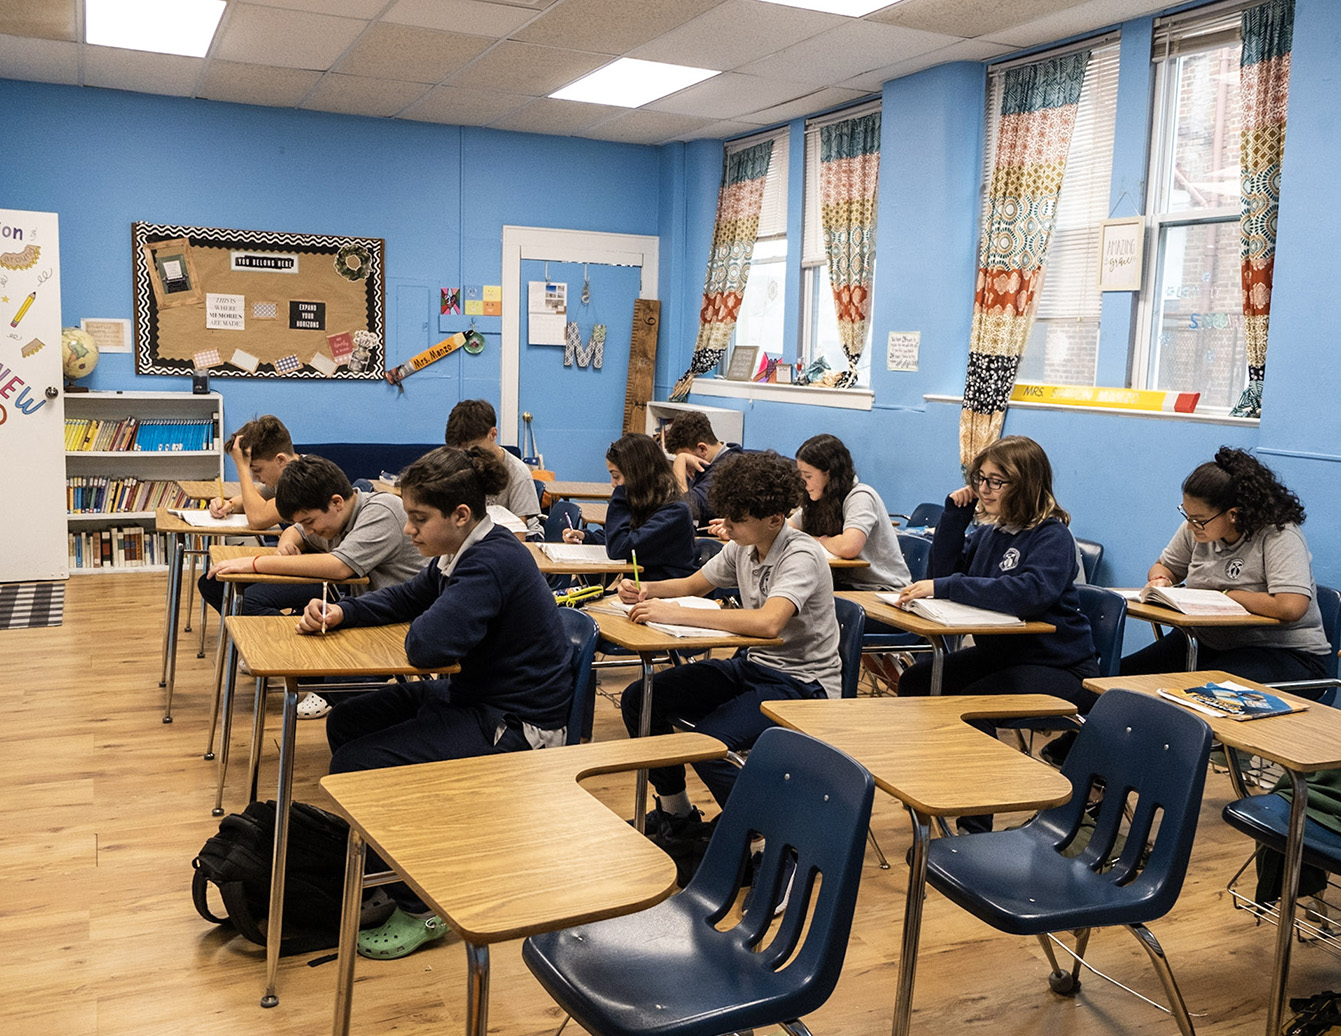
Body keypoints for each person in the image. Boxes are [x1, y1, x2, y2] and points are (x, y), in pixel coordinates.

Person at [293, 445, 572, 959]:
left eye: (419, 518)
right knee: (349, 722)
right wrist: (343, 614)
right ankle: (391, 867)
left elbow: (427, 647)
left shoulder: (490, 560)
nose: (408, 530)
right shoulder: (458, 551)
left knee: (358, 763)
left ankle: (421, 906)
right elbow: (408, 597)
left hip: (517, 724)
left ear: (460, 515)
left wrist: (439, 612)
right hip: (475, 698)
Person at [618, 450, 840, 826]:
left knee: (708, 745)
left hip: (802, 684)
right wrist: (647, 590)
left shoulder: (801, 554)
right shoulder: (744, 546)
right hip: (754, 667)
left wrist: (675, 613)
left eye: (738, 519)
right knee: (641, 699)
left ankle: (761, 831)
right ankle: (677, 815)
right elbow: (694, 584)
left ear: (774, 519)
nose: (728, 525)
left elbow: (769, 623)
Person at [897, 436, 1097, 828]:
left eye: (995, 481)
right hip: (1002, 657)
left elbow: (1027, 594)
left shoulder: (1051, 536)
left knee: (972, 710)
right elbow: (942, 573)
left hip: (1059, 667)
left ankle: (974, 829)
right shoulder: (993, 532)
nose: (984, 489)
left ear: (1025, 484)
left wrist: (949, 585)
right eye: (980, 479)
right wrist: (955, 518)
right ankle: (935, 788)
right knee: (917, 681)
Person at [207, 454, 426, 718]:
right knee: (224, 590)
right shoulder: (333, 518)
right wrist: (287, 542)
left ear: (336, 502)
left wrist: (255, 563)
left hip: (401, 622)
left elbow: (338, 567)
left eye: (310, 522)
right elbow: (297, 532)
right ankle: (307, 675)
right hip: (365, 611)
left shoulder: (382, 511)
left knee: (341, 692)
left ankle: (317, 683)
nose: (309, 530)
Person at [1120, 446, 1332, 686]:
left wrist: (1228, 596)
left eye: (1198, 520)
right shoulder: (1197, 528)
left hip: (1285, 653)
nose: (1190, 526)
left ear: (1233, 514)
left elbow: (1291, 606)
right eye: (1186, 515)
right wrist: (1161, 580)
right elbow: (1165, 566)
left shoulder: (1278, 534)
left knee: (1196, 691)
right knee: (1116, 678)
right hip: (1208, 642)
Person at [793, 432, 913, 690]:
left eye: (808, 476)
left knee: (809, 616)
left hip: (881, 593)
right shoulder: (818, 500)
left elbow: (849, 547)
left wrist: (821, 540)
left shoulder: (860, 495)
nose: (804, 483)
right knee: (797, 606)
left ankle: (823, 687)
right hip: (848, 589)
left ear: (829, 473)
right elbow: (787, 529)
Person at [561, 432, 696, 581]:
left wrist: (622, 492)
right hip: (640, 589)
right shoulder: (650, 503)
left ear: (637, 476)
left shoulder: (675, 512)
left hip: (664, 591)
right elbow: (631, 535)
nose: (613, 484)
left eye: (616, 476)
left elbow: (619, 547)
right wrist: (587, 537)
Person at [444, 398, 543, 538]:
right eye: (460, 450)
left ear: (493, 434)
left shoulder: (518, 473)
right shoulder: (459, 464)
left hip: (519, 538)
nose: (467, 455)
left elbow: (519, 535)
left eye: (473, 448)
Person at [204, 414, 298, 527]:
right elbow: (254, 498)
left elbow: (257, 519)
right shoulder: (283, 477)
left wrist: (242, 468)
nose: (254, 477)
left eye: (257, 470)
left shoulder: (301, 482)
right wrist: (229, 505)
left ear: (281, 460)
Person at [662, 409, 743, 525]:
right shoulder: (703, 465)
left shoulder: (728, 470)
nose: (686, 466)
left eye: (686, 456)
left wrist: (680, 461)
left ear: (702, 449)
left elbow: (685, 510)